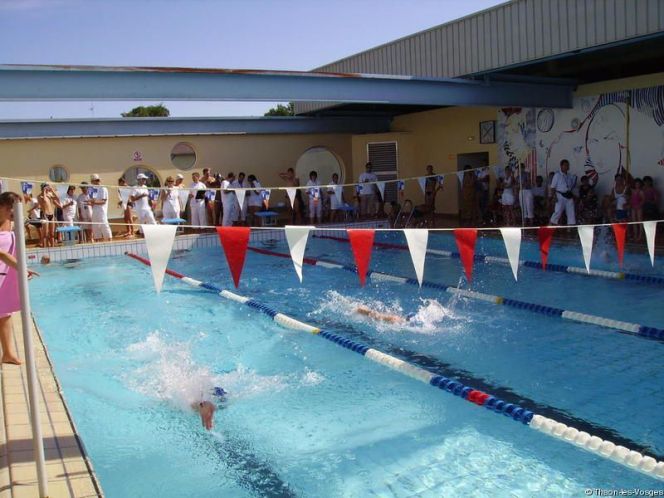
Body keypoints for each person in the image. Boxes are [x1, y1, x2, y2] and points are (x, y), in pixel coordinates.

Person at [0, 192, 39, 365]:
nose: (15, 212)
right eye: (12, 208)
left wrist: (21, 267)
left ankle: (7, 353)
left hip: (5, 271)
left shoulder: (9, 221)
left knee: (4, 313)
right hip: (5, 266)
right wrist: (21, 268)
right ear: (4, 207)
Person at [549, 159, 576, 226]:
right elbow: (552, 187)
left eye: (567, 165)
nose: (567, 167)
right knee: (557, 212)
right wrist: (554, 197)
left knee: (571, 212)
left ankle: (570, 228)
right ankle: (550, 225)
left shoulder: (569, 176)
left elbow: (570, 186)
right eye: (565, 165)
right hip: (560, 195)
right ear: (561, 166)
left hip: (568, 195)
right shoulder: (557, 175)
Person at [88, 174, 113, 241]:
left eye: (97, 180)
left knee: (104, 225)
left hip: (102, 210)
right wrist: (89, 202)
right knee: (95, 226)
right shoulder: (93, 189)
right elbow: (93, 200)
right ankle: (97, 240)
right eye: (95, 180)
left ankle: (109, 240)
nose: (97, 181)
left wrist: (93, 202)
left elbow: (103, 201)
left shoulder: (103, 188)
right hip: (95, 210)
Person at [38, 183, 61, 247]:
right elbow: (45, 200)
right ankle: (45, 247)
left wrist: (52, 190)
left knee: (52, 233)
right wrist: (44, 191)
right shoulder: (40, 196)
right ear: (43, 188)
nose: (48, 189)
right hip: (45, 215)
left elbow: (57, 198)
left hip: (51, 215)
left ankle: (52, 247)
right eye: (46, 188)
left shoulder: (50, 194)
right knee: (45, 234)